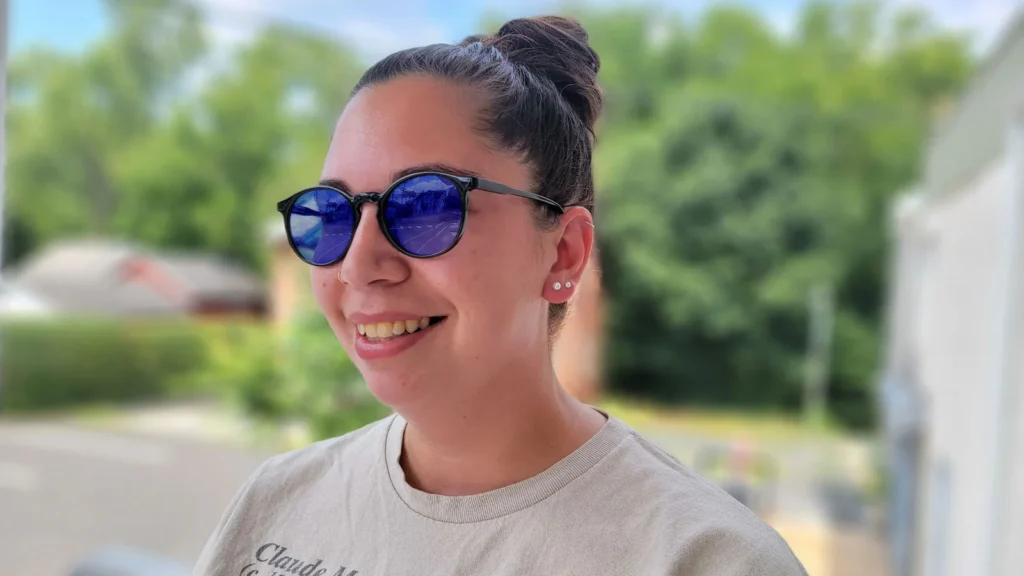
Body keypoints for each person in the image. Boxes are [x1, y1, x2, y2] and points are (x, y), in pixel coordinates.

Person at [195, 16, 806, 576]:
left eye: (427, 205)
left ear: (564, 252)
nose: (358, 263)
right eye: (331, 213)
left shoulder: (703, 560)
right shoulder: (279, 500)